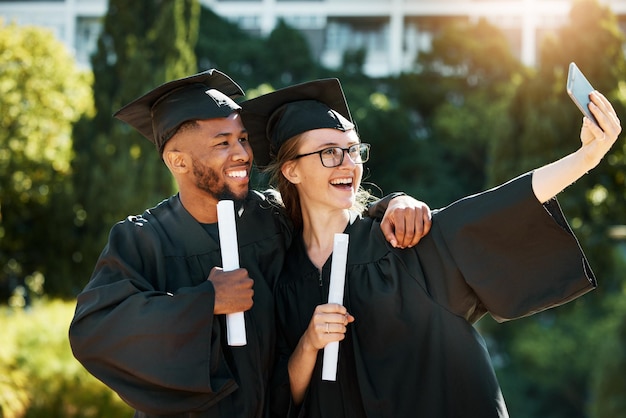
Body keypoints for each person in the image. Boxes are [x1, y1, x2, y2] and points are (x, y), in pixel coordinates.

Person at [239, 77, 622, 418]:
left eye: (353, 150)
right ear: (291, 170)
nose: (348, 164)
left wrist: (586, 158)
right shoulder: (282, 276)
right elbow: (281, 398)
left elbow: (497, 206)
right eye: (329, 152)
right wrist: (309, 343)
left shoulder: (404, 241)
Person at [68, 69, 432, 418]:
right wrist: (206, 301)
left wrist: (393, 203)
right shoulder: (143, 239)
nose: (242, 153)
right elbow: (94, 330)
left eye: (243, 139)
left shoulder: (272, 217)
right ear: (177, 160)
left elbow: (334, 211)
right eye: (223, 143)